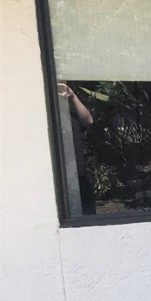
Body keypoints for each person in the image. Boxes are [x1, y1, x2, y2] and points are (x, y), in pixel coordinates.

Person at [57, 82, 95, 214]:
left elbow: (88, 120)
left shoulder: (71, 117)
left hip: (80, 177)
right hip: (58, 179)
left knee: (88, 218)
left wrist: (72, 96)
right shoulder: (48, 119)